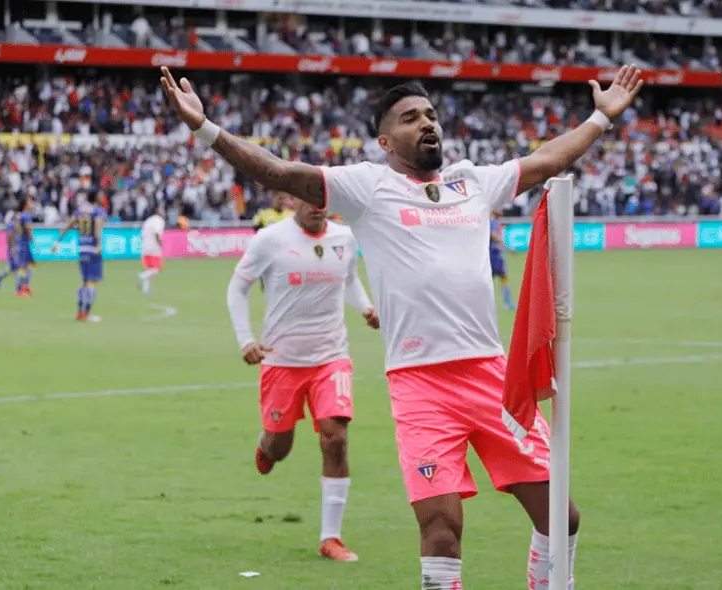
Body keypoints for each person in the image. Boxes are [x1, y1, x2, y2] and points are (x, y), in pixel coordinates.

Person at [162, 64, 643, 588]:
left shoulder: (472, 182)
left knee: (561, 515)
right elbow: (278, 172)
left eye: (431, 115)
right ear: (386, 140)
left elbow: (550, 158)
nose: (427, 123)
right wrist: (204, 128)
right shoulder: (367, 187)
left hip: (491, 377)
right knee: (441, 530)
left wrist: (600, 117)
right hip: (421, 388)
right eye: (411, 118)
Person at [227, 195, 378, 563]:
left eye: (323, 198)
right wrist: (246, 340)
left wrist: (366, 306)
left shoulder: (344, 238)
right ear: (290, 200)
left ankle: (331, 538)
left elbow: (349, 282)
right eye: (308, 198)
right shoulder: (269, 240)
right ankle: (266, 447)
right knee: (281, 447)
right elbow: (237, 288)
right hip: (282, 361)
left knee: (336, 436)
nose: (317, 205)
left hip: (331, 357)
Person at [53, 192, 107, 322]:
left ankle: (80, 311)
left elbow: (69, 225)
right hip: (93, 249)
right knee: (92, 282)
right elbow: (98, 227)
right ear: (96, 197)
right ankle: (86, 313)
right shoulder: (98, 211)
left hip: (82, 249)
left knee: (84, 281)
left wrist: (58, 241)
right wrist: (99, 244)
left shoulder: (80, 210)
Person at [0, 198, 35, 296]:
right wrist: (13, 247)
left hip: (18, 245)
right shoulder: (24, 217)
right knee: (21, 268)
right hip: (18, 246)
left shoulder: (18, 219)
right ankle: (20, 289)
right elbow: (12, 235)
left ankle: (22, 287)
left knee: (18, 267)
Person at [490, 211, 516, 310]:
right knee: (502, 277)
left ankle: (506, 302)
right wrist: (508, 247)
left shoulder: (493, 221)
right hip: (494, 255)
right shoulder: (492, 222)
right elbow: (493, 235)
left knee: (499, 278)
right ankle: (507, 302)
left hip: (494, 255)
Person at [139, 205, 165, 295]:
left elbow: (142, 234)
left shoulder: (148, 220)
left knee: (149, 268)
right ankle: (142, 276)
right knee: (157, 269)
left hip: (145, 246)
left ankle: (146, 289)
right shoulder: (159, 220)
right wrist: (160, 244)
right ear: (157, 211)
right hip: (154, 246)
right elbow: (157, 233)